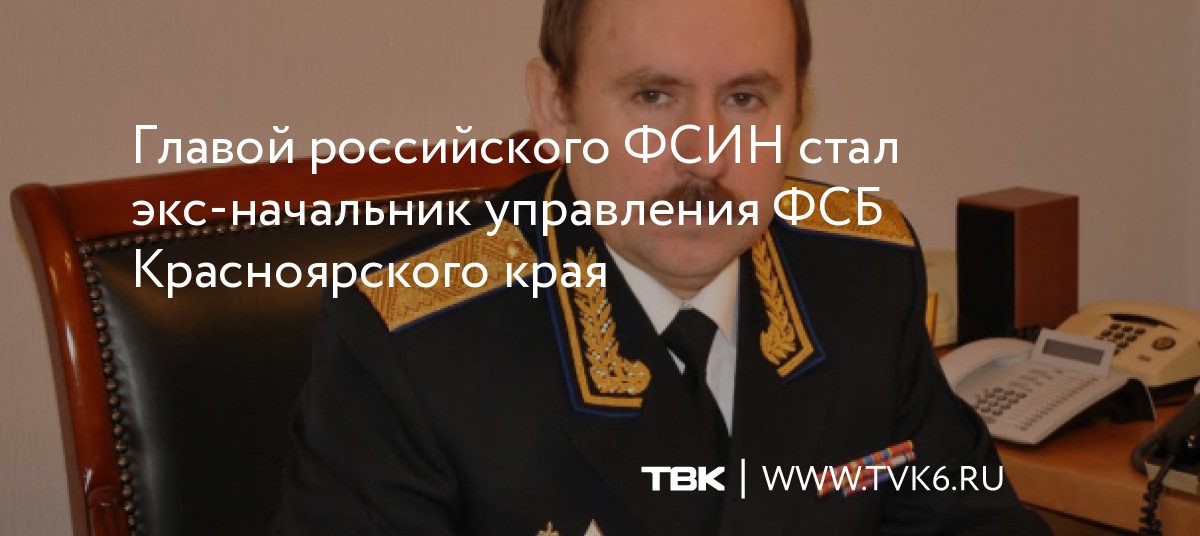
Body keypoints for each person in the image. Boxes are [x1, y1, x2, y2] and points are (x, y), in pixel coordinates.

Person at [272, 0, 1051, 534]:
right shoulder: (413, 345)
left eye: (745, 99)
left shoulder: (861, 277)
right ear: (557, 108)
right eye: (653, 96)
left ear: (797, 112)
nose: (704, 153)